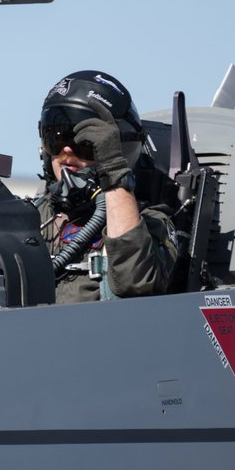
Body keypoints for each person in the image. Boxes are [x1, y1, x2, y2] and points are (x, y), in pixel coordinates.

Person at [36, 70, 179, 303]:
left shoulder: (152, 223)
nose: (68, 151)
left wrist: (112, 171)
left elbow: (135, 281)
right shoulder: (35, 217)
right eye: (58, 137)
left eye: (85, 144)